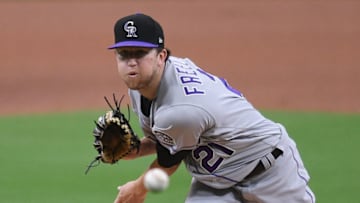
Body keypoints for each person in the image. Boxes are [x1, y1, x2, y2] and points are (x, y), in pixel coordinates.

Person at [107, 13, 315, 203]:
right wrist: (135, 150)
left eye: (140, 53)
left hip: (271, 173)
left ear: (161, 56)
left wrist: (136, 189)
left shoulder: (179, 110)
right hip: (217, 184)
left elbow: (168, 161)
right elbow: (168, 140)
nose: (132, 62)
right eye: (124, 54)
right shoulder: (142, 85)